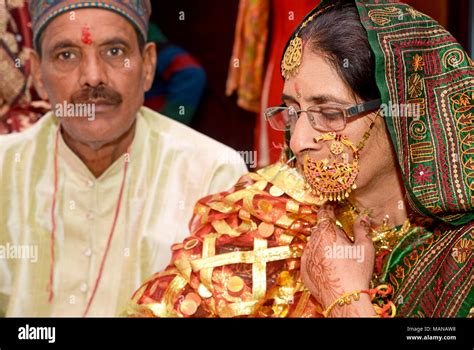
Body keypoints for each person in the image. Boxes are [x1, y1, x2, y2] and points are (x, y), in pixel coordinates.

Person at [126, 0, 473, 317]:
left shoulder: (461, 258)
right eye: (292, 112)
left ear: (406, 114)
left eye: (329, 113)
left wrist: (346, 300)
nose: (300, 140)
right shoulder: (262, 217)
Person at [0, 0, 247, 317]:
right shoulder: (5, 168)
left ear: (147, 66)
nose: (93, 77)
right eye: (67, 55)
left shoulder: (212, 175)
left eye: (114, 52)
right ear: (37, 73)